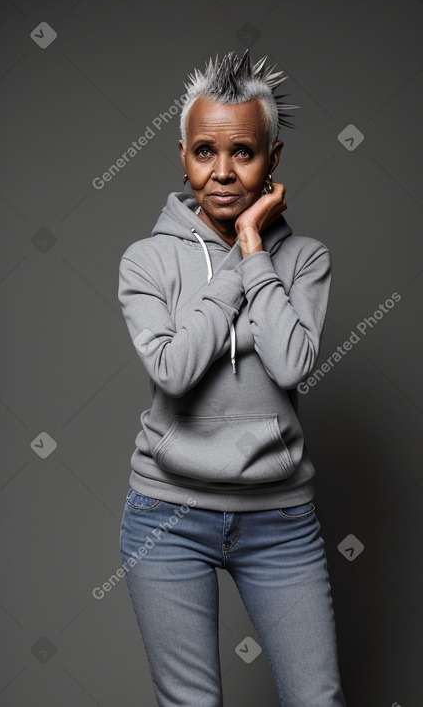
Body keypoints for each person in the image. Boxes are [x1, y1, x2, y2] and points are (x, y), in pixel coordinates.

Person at [118, 49, 348, 707]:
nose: (222, 171)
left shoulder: (303, 259)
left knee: (317, 699)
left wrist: (252, 249)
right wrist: (232, 286)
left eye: (243, 152)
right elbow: (174, 368)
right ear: (183, 155)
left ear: (272, 159)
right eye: (204, 152)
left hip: (279, 519)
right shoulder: (146, 260)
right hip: (166, 515)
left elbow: (291, 360)